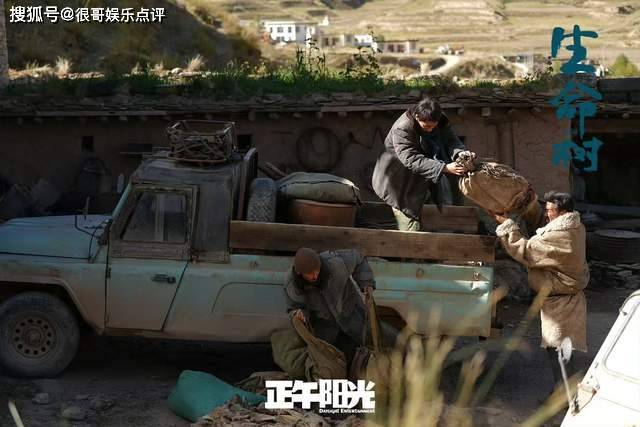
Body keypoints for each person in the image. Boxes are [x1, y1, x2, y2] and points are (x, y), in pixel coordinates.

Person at [494, 191, 589, 395]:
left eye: (550, 211)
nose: (547, 215)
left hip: (562, 303)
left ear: (563, 212)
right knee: (558, 349)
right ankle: (563, 393)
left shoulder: (561, 235)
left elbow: (528, 251)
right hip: (563, 299)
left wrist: (507, 226)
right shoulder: (576, 227)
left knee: (560, 350)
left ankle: (565, 397)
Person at [372, 97, 477, 231]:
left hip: (426, 177)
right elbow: (411, 159)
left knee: (441, 215)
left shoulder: (439, 119)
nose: (430, 130)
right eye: (426, 126)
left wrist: (460, 153)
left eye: (433, 126)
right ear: (417, 117)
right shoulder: (402, 128)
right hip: (400, 182)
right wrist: (444, 168)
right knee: (411, 228)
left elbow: (451, 140)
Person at [284, 247, 375, 367]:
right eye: (309, 273)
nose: (315, 275)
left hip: (351, 312)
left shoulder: (336, 263)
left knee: (368, 346)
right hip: (325, 326)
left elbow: (359, 259)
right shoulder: (293, 284)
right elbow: (294, 307)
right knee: (333, 362)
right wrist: (299, 314)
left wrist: (366, 283)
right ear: (300, 273)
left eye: (317, 270)